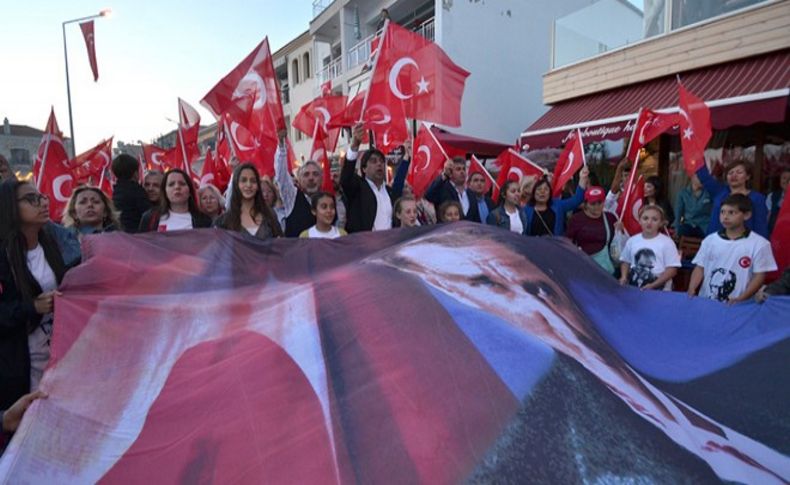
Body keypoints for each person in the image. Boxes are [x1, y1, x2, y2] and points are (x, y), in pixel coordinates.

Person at [0, 180, 69, 411]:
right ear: (10, 207)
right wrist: (32, 307)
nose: (41, 203)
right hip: (20, 362)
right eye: (31, 199)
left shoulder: (53, 244)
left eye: (41, 197)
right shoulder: (3, 256)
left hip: (58, 352)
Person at [687, 194, 777, 303]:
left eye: (731, 212)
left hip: (740, 305)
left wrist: (742, 298)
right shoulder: (710, 240)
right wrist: (692, 288)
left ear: (747, 215)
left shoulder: (760, 244)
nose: (725, 217)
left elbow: (759, 276)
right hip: (708, 303)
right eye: (722, 212)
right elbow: (700, 267)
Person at [340, 124, 408, 233]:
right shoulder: (358, 188)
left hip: (389, 245)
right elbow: (346, 178)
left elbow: (398, 183)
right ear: (364, 168)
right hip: (365, 247)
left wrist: (406, 158)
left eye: (381, 161)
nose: (379, 164)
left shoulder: (389, 192)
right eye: (373, 161)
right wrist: (355, 146)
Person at [696, 160, 768, 237]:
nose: (734, 175)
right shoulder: (719, 192)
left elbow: (760, 226)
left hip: (743, 243)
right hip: (715, 240)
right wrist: (695, 155)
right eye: (730, 173)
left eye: (739, 172)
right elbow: (703, 175)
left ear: (748, 176)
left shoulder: (757, 198)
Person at [618, 205, 680, 290]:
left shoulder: (667, 243)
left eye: (654, 219)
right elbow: (625, 261)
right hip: (634, 290)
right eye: (645, 218)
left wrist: (653, 285)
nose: (649, 222)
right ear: (639, 220)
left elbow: (672, 270)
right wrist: (624, 277)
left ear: (661, 223)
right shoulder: (632, 241)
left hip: (659, 293)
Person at [214, 163, 282, 240]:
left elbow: (281, 244)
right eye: (243, 180)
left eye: (253, 181)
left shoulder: (269, 215)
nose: (249, 185)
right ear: (236, 184)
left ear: (257, 186)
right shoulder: (223, 221)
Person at [566, 186, 619, 274]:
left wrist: (620, 230)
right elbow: (568, 242)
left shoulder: (610, 218)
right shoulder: (576, 219)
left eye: (600, 202)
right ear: (586, 204)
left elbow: (617, 240)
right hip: (584, 267)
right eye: (593, 203)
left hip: (606, 267)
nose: (597, 206)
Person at [139, 169, 212, 232]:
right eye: (171, 184)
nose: (177, 187)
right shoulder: (150, 218)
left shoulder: (204, 221)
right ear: (165, 191)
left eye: (182, 184)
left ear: (190, 191)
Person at [525, 167, 589, 237]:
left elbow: (577, 199)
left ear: (550, 193)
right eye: (539, 189)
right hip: (533, 247)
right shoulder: (526, 210)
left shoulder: (558, 205)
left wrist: (583, 178)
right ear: (533, 193)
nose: (542, 192)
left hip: (556, 246)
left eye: (546, 189)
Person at [425, 157, 484, 223]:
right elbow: (429, 195)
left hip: (468, 232)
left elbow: (476, 219)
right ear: (450, 172)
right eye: (458, 169)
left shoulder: (471, 193)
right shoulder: (443, 189)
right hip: (447, 231)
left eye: (464, 169)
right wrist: (444, 175)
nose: (462, 172)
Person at [111, 154, 150, 233]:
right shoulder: (137, 191)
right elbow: (148, 213)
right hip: (136, 234)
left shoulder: (116, 191)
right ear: (135, 173)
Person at [766, 167, 789, 235]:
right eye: (784, 178)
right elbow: (768, 216)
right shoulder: (772, 196)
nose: (787, 181)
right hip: (773, 233)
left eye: (789, 179)